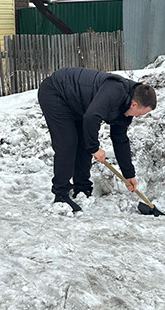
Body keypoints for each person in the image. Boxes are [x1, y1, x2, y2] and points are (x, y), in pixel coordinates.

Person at [36, 67, 156, 213]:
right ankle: (61, 194)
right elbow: (92, 117)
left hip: (78, 104)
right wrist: (94, 148)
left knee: (84, 142)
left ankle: (82, 188)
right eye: (141, 113)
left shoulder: (126, 109)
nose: (138, 116)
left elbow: (120, 140)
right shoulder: (115, 92)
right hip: (56, 92)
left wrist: (129, 174)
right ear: (134, 104)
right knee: (67, 144)